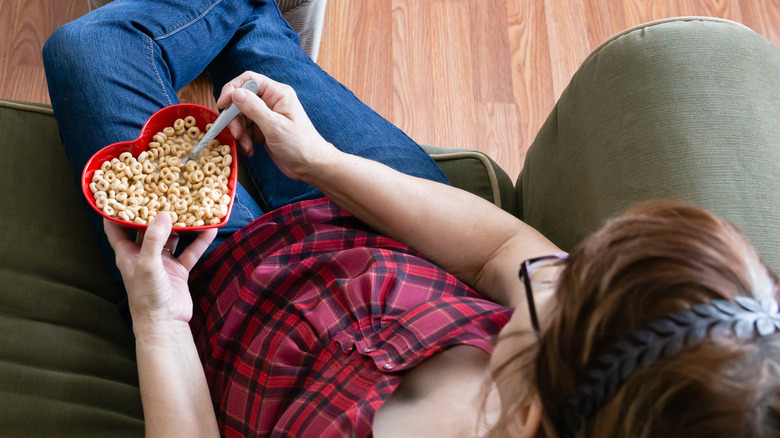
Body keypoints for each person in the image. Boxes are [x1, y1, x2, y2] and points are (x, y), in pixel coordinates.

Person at [42, 1, 780, 436]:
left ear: (530, 415)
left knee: (91, 48)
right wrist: (322, 162)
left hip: (223, 283)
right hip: (376, 220)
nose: (550, 268)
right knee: (261, 56)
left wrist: (158, 318)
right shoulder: (611, 345)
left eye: (562, 288)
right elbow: (499, 248)